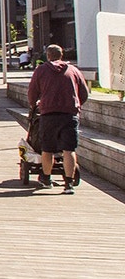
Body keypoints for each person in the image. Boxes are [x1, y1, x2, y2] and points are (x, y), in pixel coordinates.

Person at [27, 43, 88, 192]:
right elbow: (84, 93)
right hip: (69, 115)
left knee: (47, 149)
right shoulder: (73, 70)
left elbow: (32, 92)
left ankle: (46, 178)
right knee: (69, 149)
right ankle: (68, 184)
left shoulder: (41, 71)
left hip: (48, 114)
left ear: (47, 56)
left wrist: (33, 105)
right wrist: (76, 104)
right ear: (62, 55)